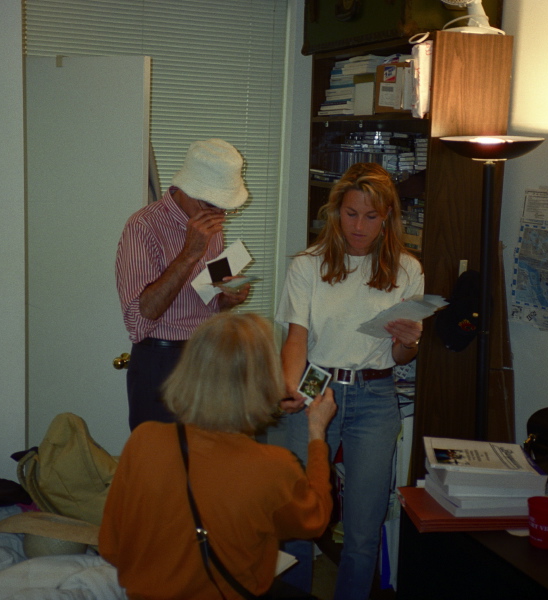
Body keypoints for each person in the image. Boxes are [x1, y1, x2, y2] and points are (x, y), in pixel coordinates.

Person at [98, 312, 337, 599]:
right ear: (263, 380)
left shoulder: (144, 440)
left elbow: (111, 547)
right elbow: (316, 520)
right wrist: (317, 435)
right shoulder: (273, 466)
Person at [275, 162, 424, 599]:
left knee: (363, 526)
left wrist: (410, 342)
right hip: (315, 385)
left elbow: (401, 356)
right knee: (298, 517)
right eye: (352, 213)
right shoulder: (308, 265)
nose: (359, 226)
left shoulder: (407, 270)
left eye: (371, 216)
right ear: (336, 212)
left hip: (376, 393)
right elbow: (296, 337)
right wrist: (289, 388)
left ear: (387, 219)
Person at [115, 138, 252, 430]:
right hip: (160, 360)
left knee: (207, 463)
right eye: (211, 204)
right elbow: (137, 321)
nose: (218, 216)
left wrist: (225, 299)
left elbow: (204, 296)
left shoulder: (212, 226)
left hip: (207, 354)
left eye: (226, 208)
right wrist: (189, 253)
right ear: (187, 187)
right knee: (159, 465)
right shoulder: (142, 227)